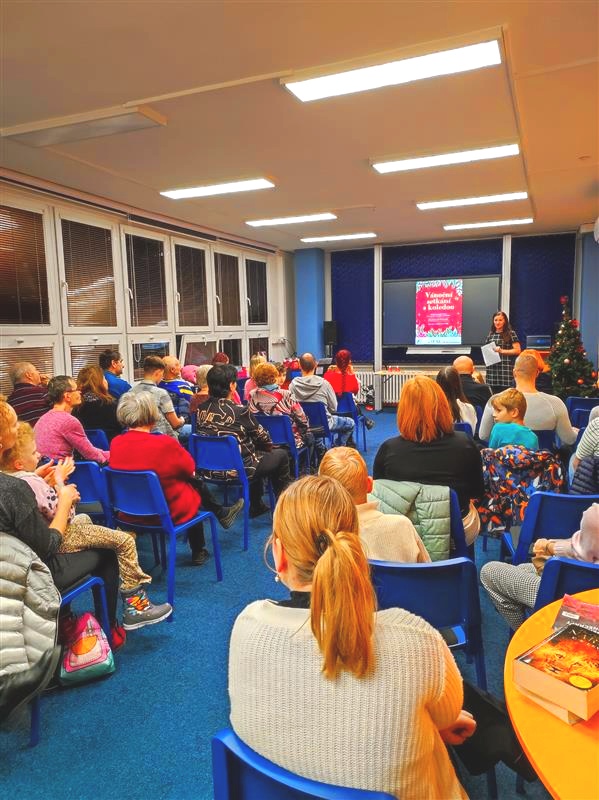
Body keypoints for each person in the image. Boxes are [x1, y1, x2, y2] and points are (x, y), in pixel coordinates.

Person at [229, 475, 474, 798]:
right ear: (355, 544)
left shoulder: (246, 627)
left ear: (279, 554)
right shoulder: (415, 641)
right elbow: (449, 714)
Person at [0, 421, 172, 630]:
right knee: (124, 540)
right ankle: (136, 605)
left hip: (33, 547)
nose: (39, 455)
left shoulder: (13, 479)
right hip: (56, 540)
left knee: (86, 520)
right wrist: (63, 489)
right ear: (19, 463)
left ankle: (74, 617)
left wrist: (42, 481)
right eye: (34, 452)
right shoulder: (26, 484)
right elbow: (60, 512)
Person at [0, 398, 124, 646]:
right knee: (108, 553)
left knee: (83, 526)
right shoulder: (13, 490)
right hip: (30, 576)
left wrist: (33, 480)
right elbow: (48, 546)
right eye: (13, 426)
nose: (19, 427)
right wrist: (65, 499)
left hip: (10, 570)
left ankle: (66, 620)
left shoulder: (14, 483)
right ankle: (110, 630)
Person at [109, 392, 244, 566]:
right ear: (151, 414)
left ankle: (219, 516)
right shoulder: (165, 443)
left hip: (128, 513)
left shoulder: (116, 442)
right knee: (192, 487)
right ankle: (199, 548)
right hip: (164, 513)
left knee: (185, 485)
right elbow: (190, 468)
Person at [373, 376, 484, 544]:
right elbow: (477, 492)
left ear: (403, 410)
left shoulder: (388, 450)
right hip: (456, 532)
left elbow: (381, 497)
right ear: (442, 406)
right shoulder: (465, 444)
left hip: (406, 533)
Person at [480, 503, 599, 630]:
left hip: (575, 600)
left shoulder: (593, 515)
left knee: (489, 572)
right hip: (585, 586)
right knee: (523, 568)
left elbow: (582, 551)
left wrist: (549, 546)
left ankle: (529, 633)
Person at [196, 364, 290, 517]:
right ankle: (283, 508)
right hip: (238, 469)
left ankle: (257, 504)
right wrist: (266, 446)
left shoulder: (200, 409)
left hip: (208, 470)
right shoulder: (240, 411)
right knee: (281, 455)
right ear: (232, 386)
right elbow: (263, 438)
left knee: (254, 453)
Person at [318, 447, 430, 563]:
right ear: (370, 485)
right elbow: (428, 570)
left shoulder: (316, 537)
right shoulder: (403, 526)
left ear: (321, 492)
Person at [479, 354, 577, 445]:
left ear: (514, 372)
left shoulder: (496, 400)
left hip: (503, 457)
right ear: (537, 373)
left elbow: (483, 435)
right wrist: (577, 432)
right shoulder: (556, 403)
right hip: (543, 457)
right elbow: (569, 439)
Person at [34, 376, 109, 463]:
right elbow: (90, 454)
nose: (80, 392)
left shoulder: (43, 418)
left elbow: (91, 451)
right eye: (76, 389)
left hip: (44, 468)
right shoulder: (69, 421)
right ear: (67, 396)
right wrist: (113, 457)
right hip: (60, 469)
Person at [290, 352, 354, 446]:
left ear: (299, 365)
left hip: (302, 426)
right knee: (350, 423)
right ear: (316, 365)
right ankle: (337, 446)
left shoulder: (292, 385)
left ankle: (319, 448)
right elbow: (334, 408)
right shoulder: (324, 384)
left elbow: (292, 407)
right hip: (324, 425)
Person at [248, 362, 310, 451]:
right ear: (275, 376)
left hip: (263, 442)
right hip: (289, 441)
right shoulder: (289, 394)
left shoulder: (252, 395)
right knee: (310, 438)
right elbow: (302, 418)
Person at [126, 355, 184, 438]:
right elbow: (175, 424)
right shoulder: (161, 393)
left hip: (136, 437)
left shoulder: (130, 392)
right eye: (162, 374)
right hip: (162, 437)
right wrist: (182, 419)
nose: (162, 377)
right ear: (158, 372)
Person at [72, 364, 122, 441]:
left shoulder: (75, 408)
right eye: (104, 378)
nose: (106, 381)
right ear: (99, 382)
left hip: (82, 447)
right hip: (111, 445)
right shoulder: (113, 405)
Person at [484, 311, 521, 393]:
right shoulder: (491, 334)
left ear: (505, 321)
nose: (497, 322)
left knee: (507, 395)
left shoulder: (511, 333)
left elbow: (517, 350)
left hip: (505, 370)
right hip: (492, 370)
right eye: (496, 320)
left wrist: (501, 351)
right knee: (494, 395)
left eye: (500, 320)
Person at [159, 355, 195, 432]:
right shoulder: (183, 386)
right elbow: (192, 403)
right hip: (179, 424)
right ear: (172, 370)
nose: (181, 367)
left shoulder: (158, 385)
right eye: (178, 365)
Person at [436, 366, 477, 432]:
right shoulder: (469, 408)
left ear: (438, 385)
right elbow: (471, 432)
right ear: (458, 384)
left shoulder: (431, 410)